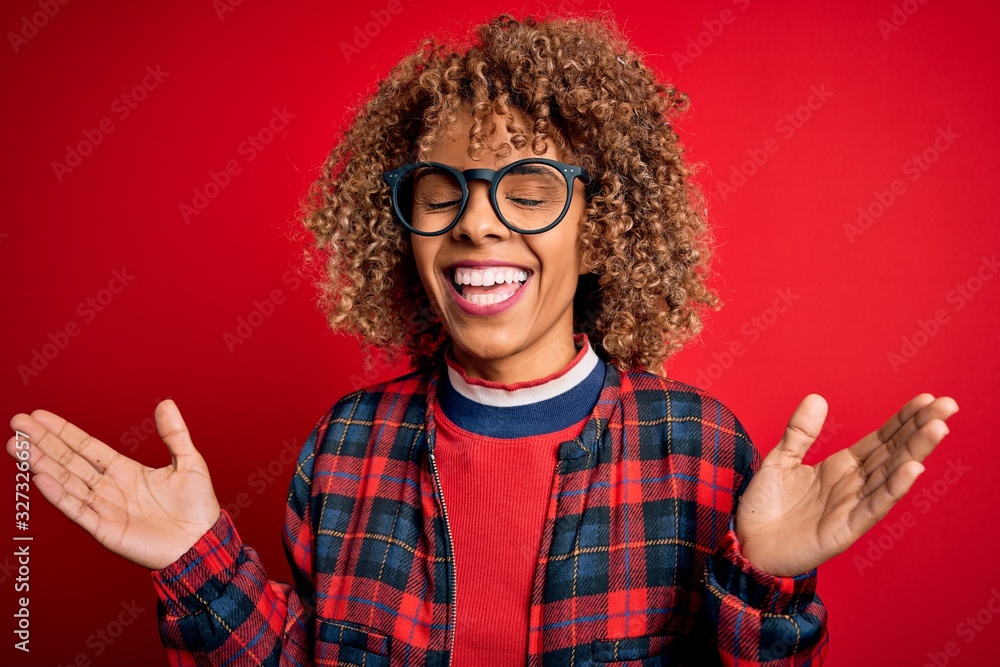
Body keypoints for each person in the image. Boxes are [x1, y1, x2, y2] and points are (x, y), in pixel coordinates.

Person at [7, 11, 958, 667]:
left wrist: (768, 588)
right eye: (442, 191)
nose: (475, 221)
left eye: (529, 188)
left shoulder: (701, 450)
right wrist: (197, 560)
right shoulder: (343, 447)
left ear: (601, 228)